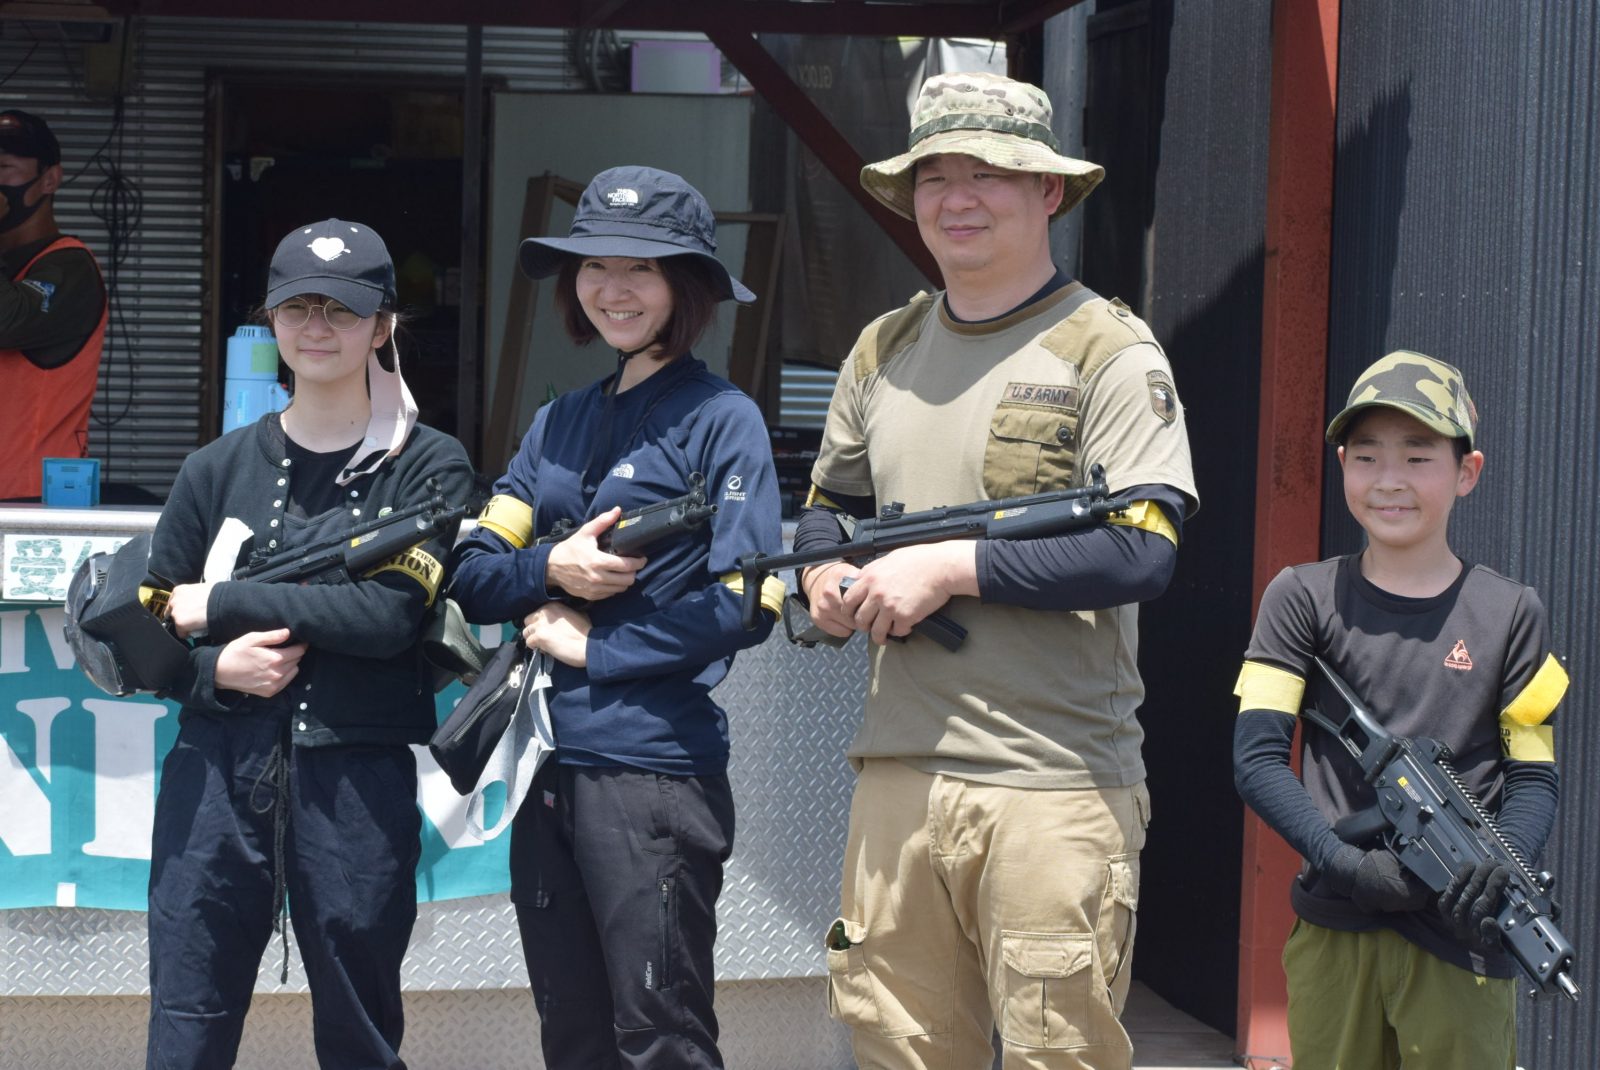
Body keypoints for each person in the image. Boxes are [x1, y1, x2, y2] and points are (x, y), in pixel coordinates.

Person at [796, 72, 1198, 1069]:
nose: (957, 199)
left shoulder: (1107, 351)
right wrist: (821, 575)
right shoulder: (882, 348)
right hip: (897, 769)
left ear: (1047, 190)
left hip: (1051, 781)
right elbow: (828, 507)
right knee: (895, 1046)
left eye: (989, 174)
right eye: (935, 177)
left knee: (1058, 1055)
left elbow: (1141, 549)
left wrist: (951, 566)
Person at [447, 166, 784, 1069]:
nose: (613, 287)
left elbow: (748, 600)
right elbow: (471, 576)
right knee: (573, 1036)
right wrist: (549, 568)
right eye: (594, 264)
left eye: (642, 267)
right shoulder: (555, 423)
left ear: (688, 286)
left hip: (653, 774)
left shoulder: (724, 419)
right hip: (546, 769)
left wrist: (600, 646)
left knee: (660, 1037)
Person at [143, 219, 475, 1069]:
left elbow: (388, 618)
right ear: (270, 319)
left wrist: (223, 601)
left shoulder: (428, 465)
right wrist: (214, 670)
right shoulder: (213, 469)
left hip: (356, 784)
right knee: (186, 1025)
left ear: (383, 324)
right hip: (214, 776)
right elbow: (145, 624)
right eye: (297, 307)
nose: (316, 327)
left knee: (361, 1033)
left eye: (342, 309)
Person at [1232, 351, 1567, 1070]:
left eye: (1418, 457)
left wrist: (1501, 867)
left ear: (1467, 472)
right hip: (1335, 930)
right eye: (1367, 456)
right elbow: (1256, 758)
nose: (1389, 479)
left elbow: (1534, 776)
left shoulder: (1513, 613)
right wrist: (1343, 862)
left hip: (1462, 941)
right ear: (1343, 466)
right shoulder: (1298, 597)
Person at [0, 108, 107, 500]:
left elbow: (5, 321)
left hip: (31, 506)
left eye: (4, 167)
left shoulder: (70, 267)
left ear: (49, 179)